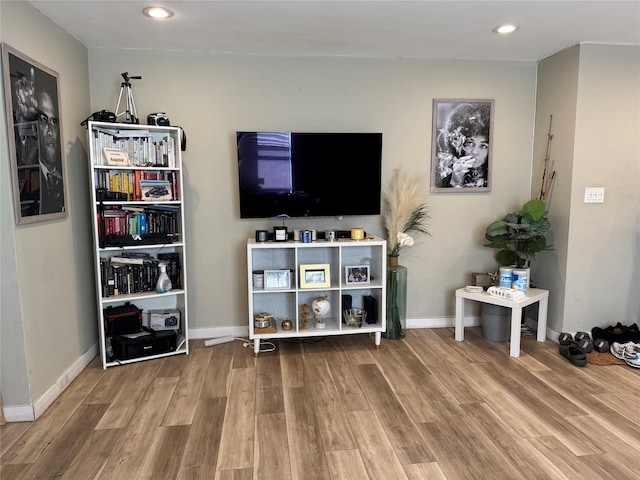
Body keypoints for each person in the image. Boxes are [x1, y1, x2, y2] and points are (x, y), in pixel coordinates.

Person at [435, 103, 491, 188]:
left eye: (483, 146)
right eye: (470, 143)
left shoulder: (497, 177)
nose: (475, 152)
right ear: (457, 144)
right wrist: (454, 182)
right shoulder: (443, 178)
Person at [36, 90, 65, 213]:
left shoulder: (61, 178)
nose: (50, 132)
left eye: (53, 121)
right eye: (43, 120)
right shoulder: (31, 176)